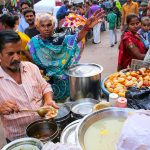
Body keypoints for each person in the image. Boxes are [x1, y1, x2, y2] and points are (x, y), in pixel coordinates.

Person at [26, 11, 104, 101]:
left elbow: (75, 39)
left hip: (64, 79)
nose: (46, 28)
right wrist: (37, 69)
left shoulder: (60, 38)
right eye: (43, 26)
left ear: (54, 25)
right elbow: (27, 51)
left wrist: (86, 28)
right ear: (37, 27)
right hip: (46, 81)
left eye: (49, 25)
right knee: (50, 104)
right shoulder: (34, 42)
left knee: (66, 103)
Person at [0, 30, 58, 142]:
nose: (17, 58)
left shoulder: (31, 67)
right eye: (10, 54)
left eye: (19, 52)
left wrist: (48, 100)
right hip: (18, 138)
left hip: (45, 130)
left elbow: (45, 87)